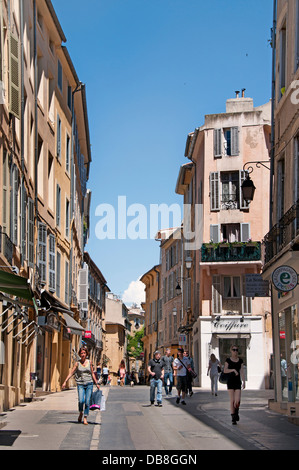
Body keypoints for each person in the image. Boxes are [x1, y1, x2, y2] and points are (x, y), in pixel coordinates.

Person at [62, 346, 100, 425]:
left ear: (86, 354)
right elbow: (71, 372)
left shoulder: (90, 362)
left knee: (87, 402)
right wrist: (65, 381)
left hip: (89, 384)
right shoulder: (77, 363)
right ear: (79, 354)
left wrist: (96, 383)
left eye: (84, 353)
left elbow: (92, 373)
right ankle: (80, 412)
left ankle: (85, 417)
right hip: (80, 384)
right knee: (81, 401)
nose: (83, 355)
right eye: (81, 353)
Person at [224, 345, 245, 425]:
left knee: (238, 400)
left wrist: (244, 381)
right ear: (231, 350)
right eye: (234, 350)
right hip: (230, 381)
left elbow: (242, 371)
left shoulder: (240, 361)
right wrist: (233, 370)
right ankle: (233, 417)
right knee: (232, 400)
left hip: (237, 382)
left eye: (236, 350)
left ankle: (236, 411)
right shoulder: (228, 360)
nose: (235, 351)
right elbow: (225, 370)